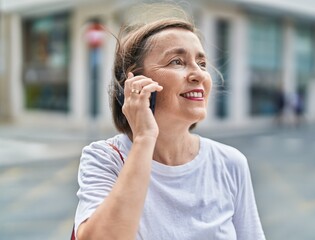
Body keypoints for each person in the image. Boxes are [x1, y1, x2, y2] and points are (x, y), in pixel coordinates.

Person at [74, 5, 265, 240]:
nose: (199, 75)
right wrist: (144, 138)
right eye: (177, 61)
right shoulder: (105, 159)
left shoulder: (230, 163)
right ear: (136, 83)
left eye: (202, 63)